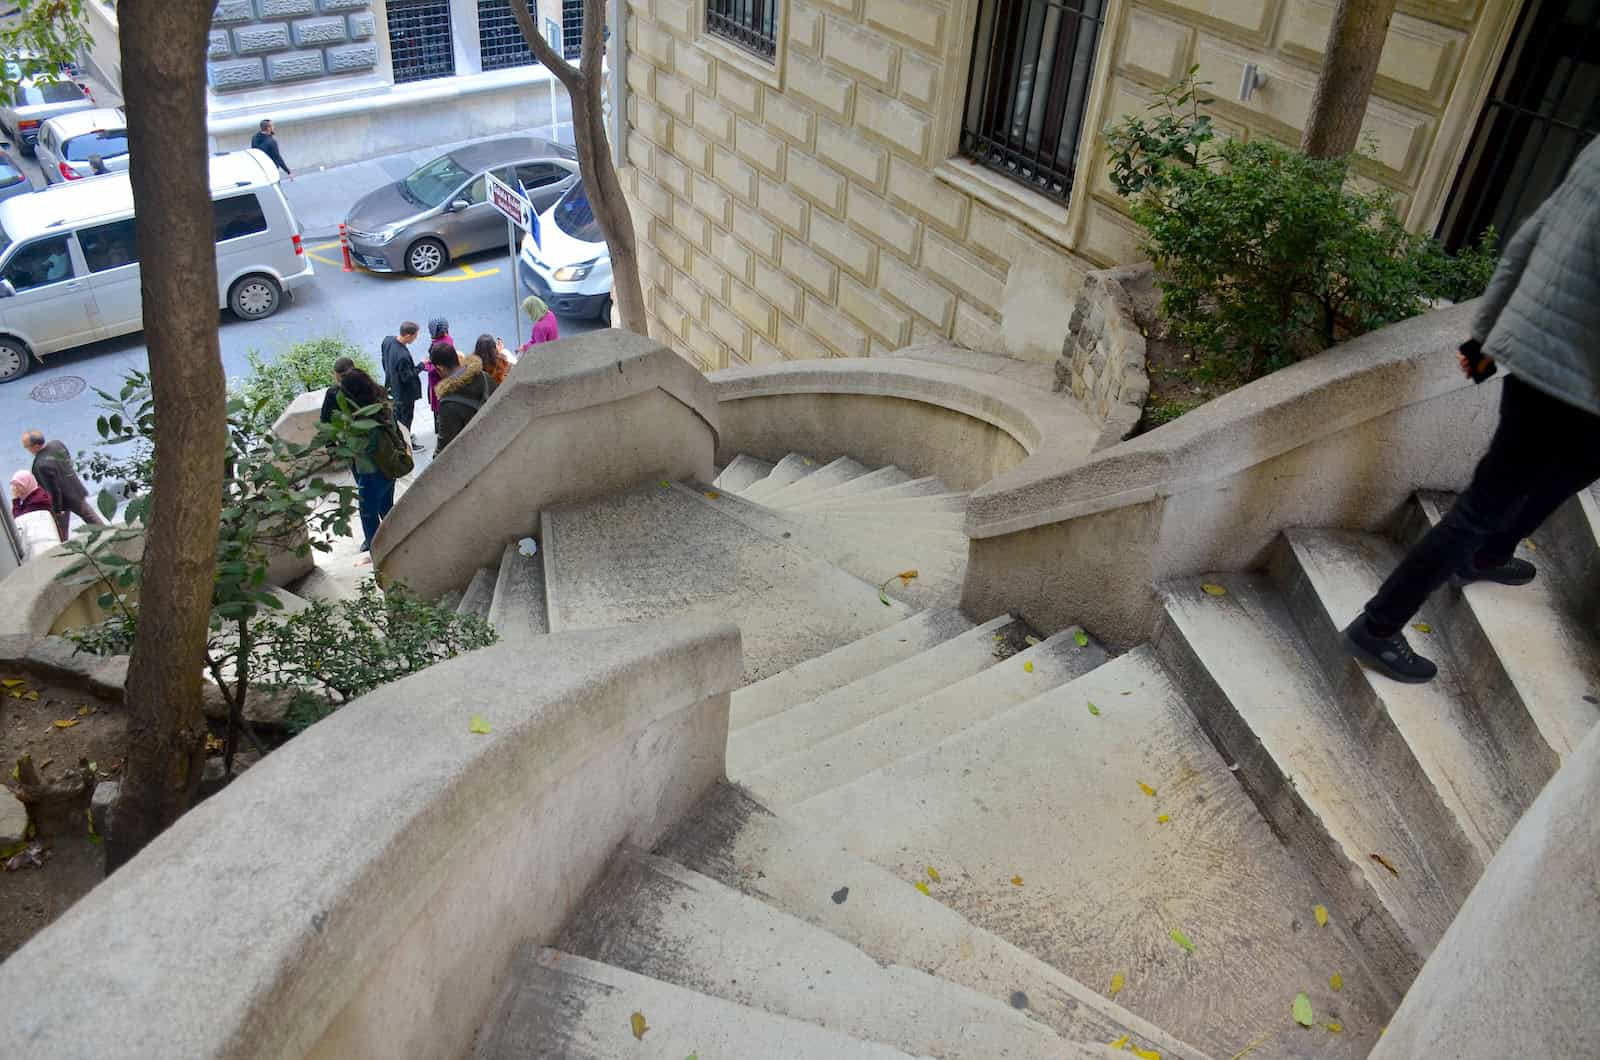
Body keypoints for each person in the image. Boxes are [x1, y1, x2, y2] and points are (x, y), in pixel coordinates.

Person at [1342, 138, 1600, 684]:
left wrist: (1484, 336)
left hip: (1536, 366)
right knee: (1482, 508)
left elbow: (1531, 236)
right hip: (1579, 386)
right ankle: (1378, 627)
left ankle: (1486, 556)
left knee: (1565, 473)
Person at [337, 367, 402, 565]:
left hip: (371, 473)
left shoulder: (361, 421)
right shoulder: (383, 406)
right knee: (387, 509)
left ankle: (380, 559)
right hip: (389, 467)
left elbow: (358, 449)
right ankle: (399, 545)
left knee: (368, 515)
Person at [21, 429, 105, 541]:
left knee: (60, 532)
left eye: (26, 447)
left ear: (35, 446)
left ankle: (63, 550)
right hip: (75, 488)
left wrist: (57, 509)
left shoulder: (40, 465)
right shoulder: (57, 444)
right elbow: (67, 460)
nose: (27, 450)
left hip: (62, 501)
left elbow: (53, 490)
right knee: (91, 518)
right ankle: (109, 535)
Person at [432, 342, 496, 452]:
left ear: (439, 368)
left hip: (476, 453)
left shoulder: (448, 404)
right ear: (457, 358)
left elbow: (445, 445)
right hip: (496, 439)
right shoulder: (484, 376)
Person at [381, 322, 425, 451]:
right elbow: (407, 376)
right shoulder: (403, 356)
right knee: (405, 418)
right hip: (404, 394)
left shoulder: (387, 340)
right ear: (407, 335)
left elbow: (384, 360)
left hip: (392, 387)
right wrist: (421, 365)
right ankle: (406, 444)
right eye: (415, 336)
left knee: (396, 417)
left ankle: (400, 437)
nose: (415, 338)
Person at [10, 469, 58, 559]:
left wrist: (15, 500)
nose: (14, 489)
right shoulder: (37, 494)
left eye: (18, 485)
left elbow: (18, 521)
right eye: (13, 485)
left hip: (43, 545)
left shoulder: (36, 502)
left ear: (27, 485)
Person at [422, 318, 454, 414]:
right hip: (447, 380)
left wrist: (424, 365)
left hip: (438, 383)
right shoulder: (448, 340)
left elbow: (436, 369)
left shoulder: (438, 346)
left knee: (440, 411)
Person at [318, 356, 357, 425]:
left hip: (346, 429)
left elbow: (325, 420)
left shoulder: (333, 392)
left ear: (336, 375)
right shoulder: (367, 383)